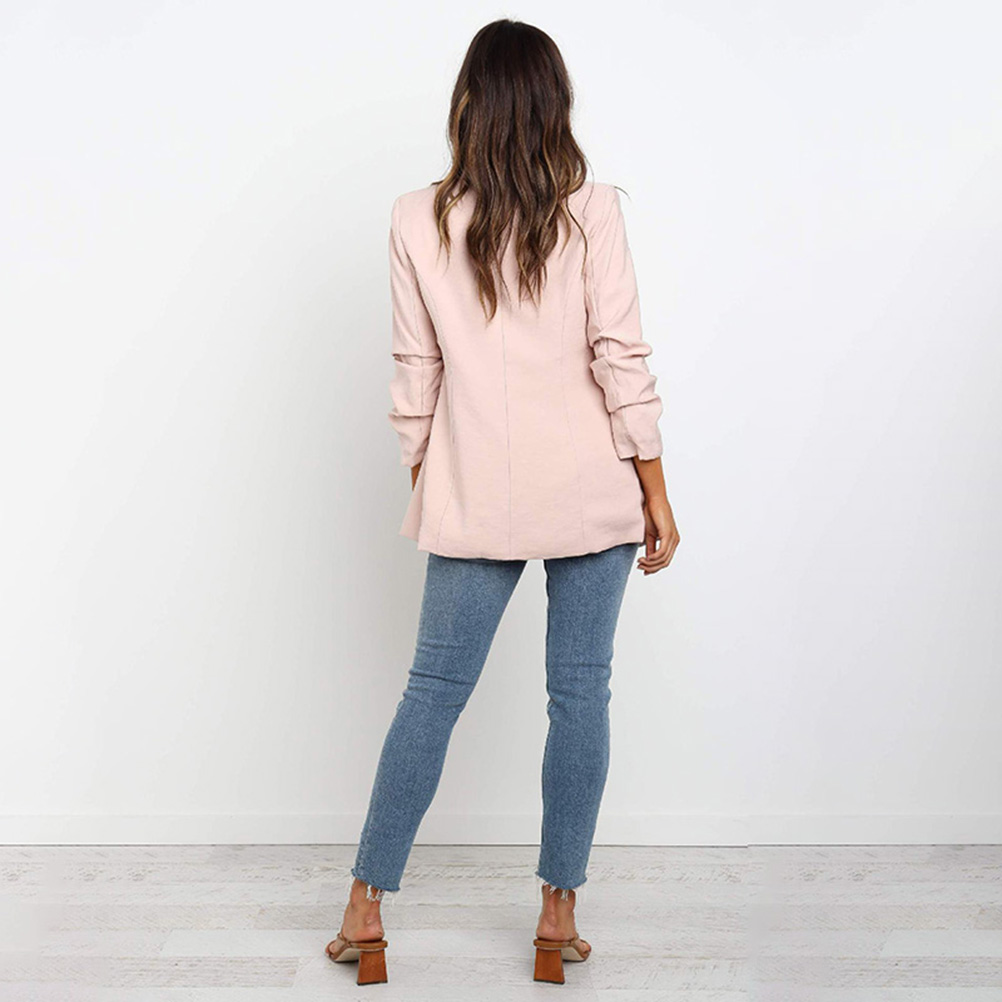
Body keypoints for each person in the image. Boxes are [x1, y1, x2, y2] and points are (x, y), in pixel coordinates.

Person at [325, 17, 680, 987]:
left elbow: (416, 376)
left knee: (431, 693)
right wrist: (656, 488)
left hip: (475, 488)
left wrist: (434, 480)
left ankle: (366, 908)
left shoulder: (416, 217)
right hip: (593, 489)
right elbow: (621, 357)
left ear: (468, 105)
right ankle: (557, 915)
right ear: (554, 104)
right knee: (581, 695)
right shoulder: (592, 211)